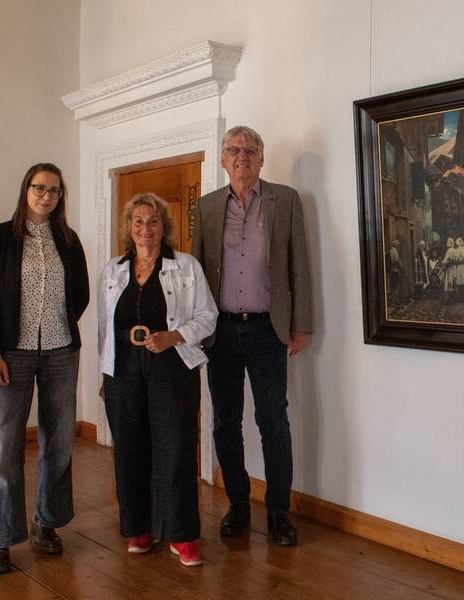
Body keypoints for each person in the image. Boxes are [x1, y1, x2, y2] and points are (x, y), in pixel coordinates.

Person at [192, 125, 313, 546]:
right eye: (233, 150)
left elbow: (299, 264)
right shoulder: (206, 208)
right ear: (223, 159)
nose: (241, 156)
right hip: (220, 331)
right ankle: (238, 505)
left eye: (250, 150)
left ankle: (278, 512)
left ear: (262, 159)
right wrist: (192, 327)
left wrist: (301, 324)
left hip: (268, 329)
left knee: (273, 421)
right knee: (225, 422)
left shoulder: (286, 200)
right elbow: (197, 272)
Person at [0, 163, 89, 574]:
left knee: (59, 442)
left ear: (61, 197)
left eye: (54, 191)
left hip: (61, 351)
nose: (46, 196)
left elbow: (79, 293)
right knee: (5, 448)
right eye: (39, 187)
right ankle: (1, 539)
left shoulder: (67, 239)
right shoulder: (0, 237)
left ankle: (47, 523)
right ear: (25, 189)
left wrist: (59, 323)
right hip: (13, 352)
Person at [98, 193, 217, 566]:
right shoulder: (112, 271)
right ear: (128, 228)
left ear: (164, 226)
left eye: (152, 221)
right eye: (138, 222)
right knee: (130, 450)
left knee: (177, 448)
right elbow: (104, 327)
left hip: (172, 368)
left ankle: (182, 536)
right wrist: (104, 374)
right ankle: (140, 528)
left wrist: (174, 336)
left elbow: (208, 316)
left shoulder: (186, 266)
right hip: (123, 372)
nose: (145, 228)